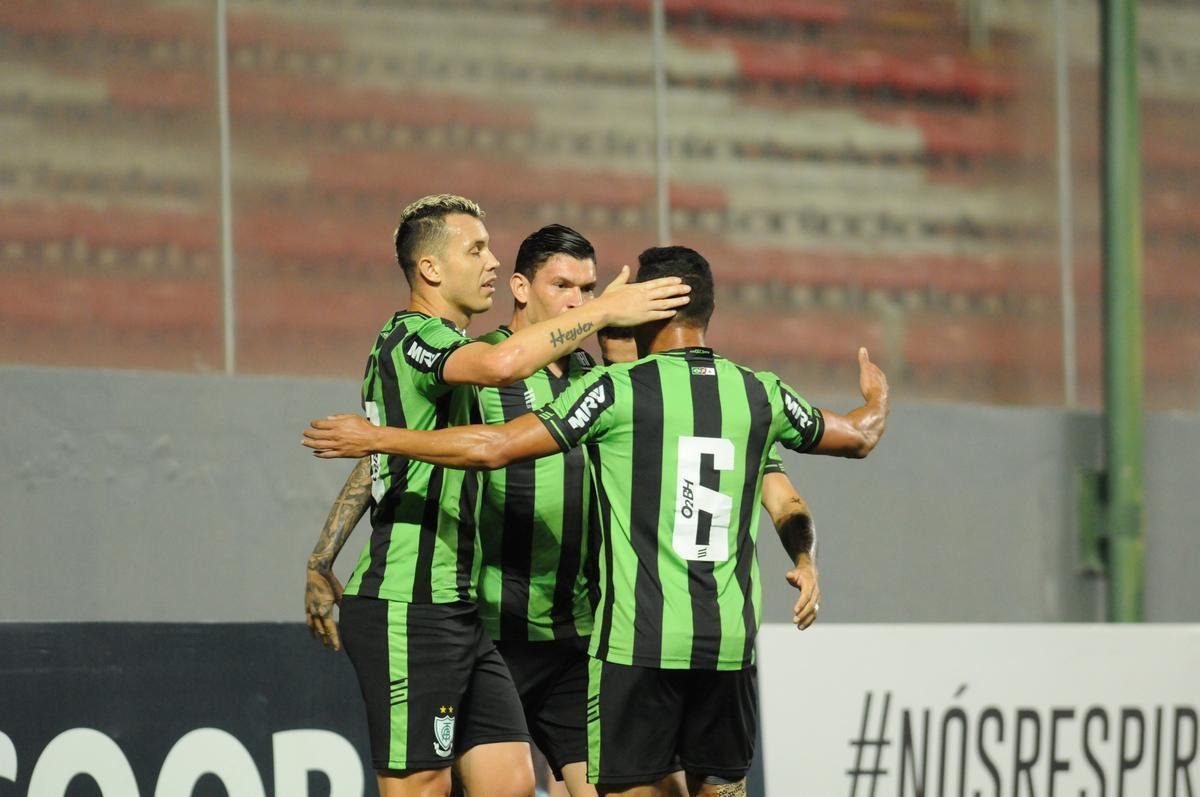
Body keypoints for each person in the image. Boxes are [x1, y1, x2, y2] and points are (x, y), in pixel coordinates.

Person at [302, 245, 888, 796]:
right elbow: (854, 438)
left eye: (595, 292)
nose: (583, 302)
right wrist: (877, 401)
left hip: (607, 641)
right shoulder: (756, 393)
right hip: (648, 638)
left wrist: (376, 437)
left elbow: (490, 447)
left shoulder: (611, 388)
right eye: (567, 286)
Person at [302, 196, 692, 797]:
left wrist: (321, 556)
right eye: (475, 249)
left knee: (516, 784)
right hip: (419, 604)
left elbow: (402, 446)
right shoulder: (432, 344)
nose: (488, 260)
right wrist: (324, 554)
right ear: (431, 268)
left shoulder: (563, 373)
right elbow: (485, 399)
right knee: (422, 784)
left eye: (587, 289)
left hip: (509, 619)